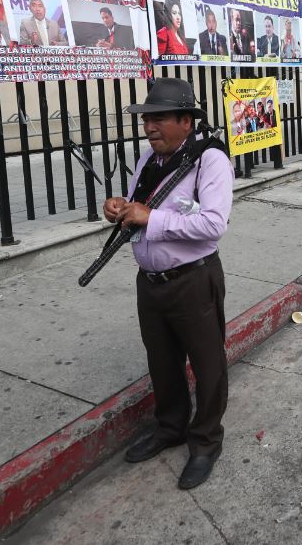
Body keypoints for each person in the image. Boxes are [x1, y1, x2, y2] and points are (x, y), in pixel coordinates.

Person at [107, 78, 233, 490]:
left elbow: (213, 224)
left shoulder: (209, 161)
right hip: (151, 282)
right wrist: (119, 208)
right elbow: (138, 209)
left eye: (159, 119)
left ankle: (206, 441)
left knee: (207, 363)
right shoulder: (148, 160)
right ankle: (170, 427)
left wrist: (150, 218)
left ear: (186, 121)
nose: (149, 127)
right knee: (162, 362)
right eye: (147, 120)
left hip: (193, 280)